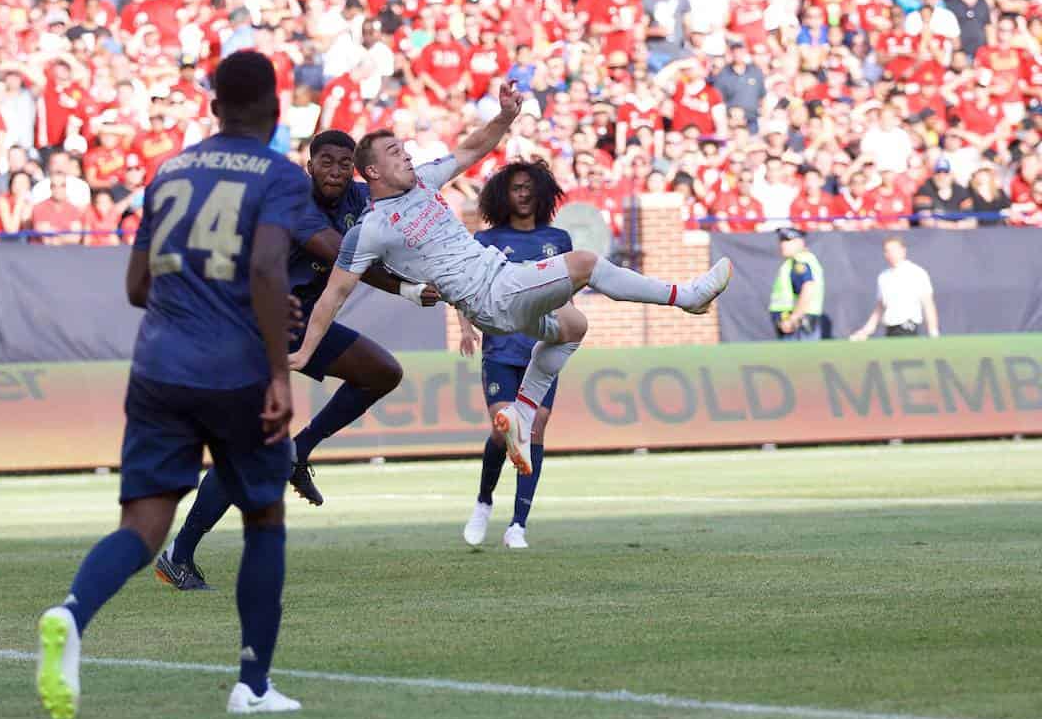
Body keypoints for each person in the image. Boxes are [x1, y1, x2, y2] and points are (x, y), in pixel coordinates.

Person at [35, 51, 310, 719]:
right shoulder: (279, 174)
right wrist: (278, 365)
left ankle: (72, 613)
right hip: (237, 371)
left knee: (143, 524)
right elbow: (270, 269)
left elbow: (136, 287)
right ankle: (253, 684)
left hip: (159, 367)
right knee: (264, 517)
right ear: (275, 111)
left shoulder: (170, 170)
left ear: (213, 107)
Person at [290, 80, 732, 478]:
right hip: (490, 295)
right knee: (585, 263)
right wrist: (306, 352)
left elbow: (472, 149)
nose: (407, 155)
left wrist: (504, 116)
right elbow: (332, 297)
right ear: (371, 173)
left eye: (405, 149)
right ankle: (686, 296)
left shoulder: (424, 181)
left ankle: (521, 413)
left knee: (574, 327)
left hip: (501, 285)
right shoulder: (371, 228)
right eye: (395, 153)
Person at [153, 129, 441, 591]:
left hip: (301, 320)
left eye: (344, 163)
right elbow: (343, 255)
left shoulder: (362, 197)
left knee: (381, 372)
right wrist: (408, 288)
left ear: (356, 168)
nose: (334, 171)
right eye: (325, 162)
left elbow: (407, 205)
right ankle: (179, 555)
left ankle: (299, 450)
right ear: (309, 166)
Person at [458, 161, 571, 550]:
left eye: (528, 187)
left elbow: (566, 293)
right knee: (504, 428)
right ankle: (483, 501)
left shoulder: (559, 238)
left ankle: (517, 525)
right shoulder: (487, 240)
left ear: (540, 192)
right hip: (502, 348)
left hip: (542, 350)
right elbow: (466, 286)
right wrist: (465, 326)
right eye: (515, 188)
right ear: (502, 195)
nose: (522, 194)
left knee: (535, 429)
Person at [849, 237, 939, 340]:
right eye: (887, 251)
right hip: (890, 331)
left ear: (903, 251)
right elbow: (880, 307)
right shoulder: (883, 276)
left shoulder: (916, 273)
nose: (891, 254)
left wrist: (933, 332)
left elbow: (928, 304)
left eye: (894, 250)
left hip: (907, 329)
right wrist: (865, 331)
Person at [768, 226, 824, 340]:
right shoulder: (796, 261)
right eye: (781, 240)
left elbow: (808, 288)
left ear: (800, 242)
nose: (782, 244)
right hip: (796, 321)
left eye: (788, 240)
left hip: (797, 324)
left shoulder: (800, 261)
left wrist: (793, 319)